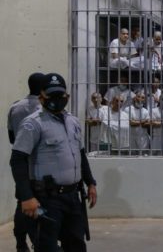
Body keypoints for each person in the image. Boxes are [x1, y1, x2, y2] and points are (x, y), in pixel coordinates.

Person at [10, 73, 97, 252]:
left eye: (60, 95)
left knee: (76, 245)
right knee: (47, 247)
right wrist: (26, 197)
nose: (56, 100)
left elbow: (80, 154)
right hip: (47, 199)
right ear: (41, 97)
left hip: (73, 198)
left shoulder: (73, 122)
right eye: (51, 96)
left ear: (67, 97)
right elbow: (17, 160)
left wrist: (91, 182)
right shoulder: (33, 124)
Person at [7, 72, 44, 252]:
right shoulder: (45, 109)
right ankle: (38, 241)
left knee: (21, 200)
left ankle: (20, 241)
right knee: (39, 205)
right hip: (40, 163)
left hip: (21, 161)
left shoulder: (16, 107)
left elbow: (11, 137)